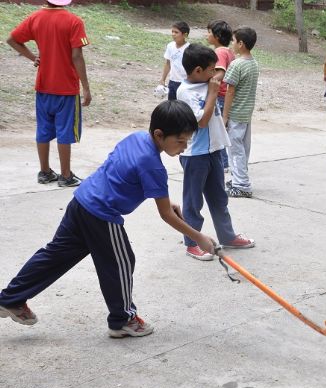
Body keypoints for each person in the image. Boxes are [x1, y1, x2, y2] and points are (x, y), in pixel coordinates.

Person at [0, 101, 218, 336]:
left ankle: (10, 298)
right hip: (101, 215)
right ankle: (123, 319)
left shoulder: (136, 138)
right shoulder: (153, 166)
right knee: (121, 263)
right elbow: (165, 214)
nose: (184, 147)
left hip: (82, 201)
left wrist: (166, 201)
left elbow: (122, 173)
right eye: (180, 141)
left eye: (187, 141)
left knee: (55, 255)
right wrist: (197, 237)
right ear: (159, 134)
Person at [177, 44, 255, 260]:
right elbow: (201, 122)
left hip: (215, 151)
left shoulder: (206, 82)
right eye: (211, 69)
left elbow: (222, 73)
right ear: (198, 71)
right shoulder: (185, 91)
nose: (215, 74)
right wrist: (212, 92)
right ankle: (192, 243)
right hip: (195, 155)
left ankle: (227, 236)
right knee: (193, 202)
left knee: (219, 198)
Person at [6, 0, 91, 188]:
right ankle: (66, 176)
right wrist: (85, 87)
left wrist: (33, 57)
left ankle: (44, 172)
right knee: (65, 132)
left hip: (43, 86)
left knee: (43, 130)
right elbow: (77, 56)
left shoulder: (35, 18)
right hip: (66, 89)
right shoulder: (74, 21)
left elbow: (12, 39)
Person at [222, 27, 259, 198]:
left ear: (241, 44)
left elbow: (230, 91)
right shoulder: (253, 63)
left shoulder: (236, 64)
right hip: (246, 114)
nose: (232, 44)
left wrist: (225, 116)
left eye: (234, 41)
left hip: (236, 113)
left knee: (235, 150)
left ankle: (241, 185)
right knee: (243, 149)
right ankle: (239, 178)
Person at [206, 19, 235, 172]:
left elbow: (221, 72)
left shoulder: (219, 52)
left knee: (218, 129)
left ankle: (223, 164)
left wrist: (207, 81)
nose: (207, 35)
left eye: (209, 32)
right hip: (225, 96)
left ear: (217, 36)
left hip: (220, 95)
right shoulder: (229, 51)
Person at [159, 21, 190, 101]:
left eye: (176, 32)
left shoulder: (189, 49)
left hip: (185, 82)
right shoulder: (170, 46)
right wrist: (163, 78)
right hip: (172, 81)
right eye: (172, 32)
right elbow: (168, 63)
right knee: (172, 103)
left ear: (185, 35)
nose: (173, 34)